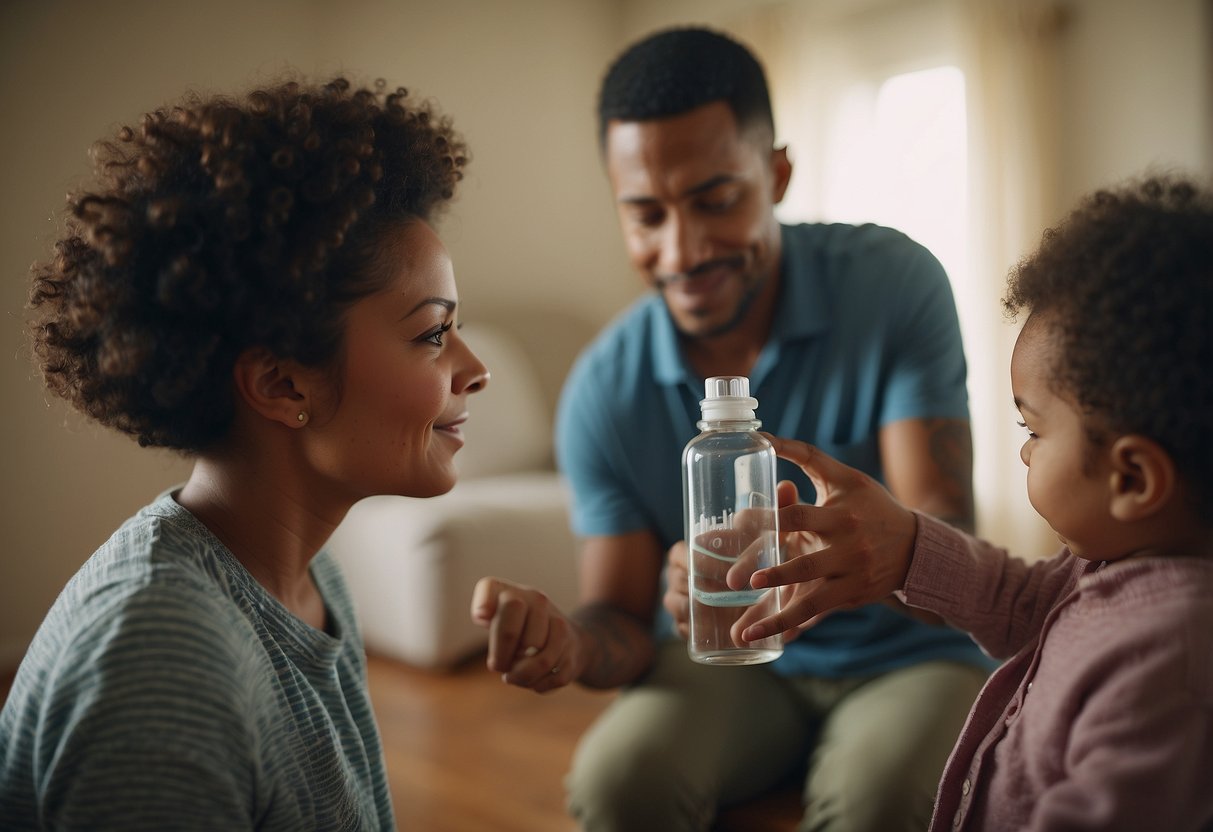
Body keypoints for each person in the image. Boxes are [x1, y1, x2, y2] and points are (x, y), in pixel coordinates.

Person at [471, 26, 993, 831]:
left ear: (776, 173)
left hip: (908, 655)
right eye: (645, 214)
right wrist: (570, 649)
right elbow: (616, 618)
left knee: (880, 802)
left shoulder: (893, 287)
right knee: (619, 781)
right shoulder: (604, 389)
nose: (682, 251)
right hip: (727, 664)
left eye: (715, 200)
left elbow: (955, 541)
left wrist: (869, 552)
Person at [0, 76, 488, 830]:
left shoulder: (310, 579)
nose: (473, 367)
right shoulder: (161, 666)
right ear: (280, 382)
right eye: (431, 334)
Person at [739, 174, 1213, 830]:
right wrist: (905, 543)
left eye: (1032, 430)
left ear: (1132, 479)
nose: (1022, 451)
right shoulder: (1111, 564)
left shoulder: (1172, 669)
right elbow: (1019, 600)